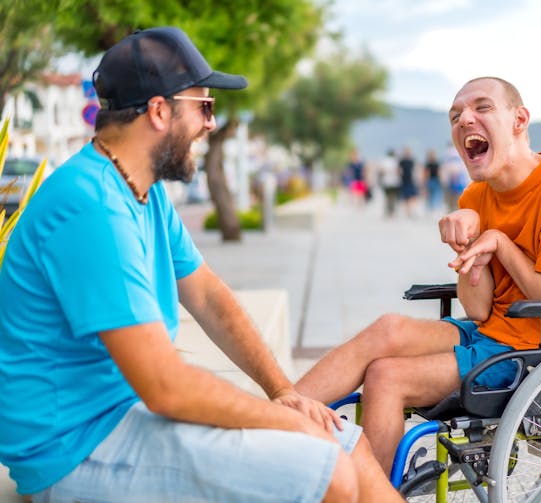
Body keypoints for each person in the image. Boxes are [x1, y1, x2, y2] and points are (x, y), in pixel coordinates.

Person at [0, 27, 402, 503]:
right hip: (74, 448)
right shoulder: (90, 206)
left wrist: (283, 393)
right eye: (204, 107)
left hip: (119, 416)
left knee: (342, 443)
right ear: (159, 110)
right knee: (326, 468)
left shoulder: (140, 191)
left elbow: (208, 295)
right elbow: (165, 387)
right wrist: (285, 421)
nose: (211, 124)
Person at [295, 76, 541, 474]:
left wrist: (499, 242)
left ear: (519, 119)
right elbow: (478, 310)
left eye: (482, 107)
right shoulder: (476, 195)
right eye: (455, 114)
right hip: (492, 334)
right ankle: (272, 415)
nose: (465, 120)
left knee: (386, 376)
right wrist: (468, 249)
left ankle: (371, 494)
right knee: (388, 329)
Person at [377, 148, 400, 217]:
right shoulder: (396, 161)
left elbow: (381, 172)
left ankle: (386, 211)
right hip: (394, 182)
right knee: (393, 197)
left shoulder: (384, 161)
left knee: (386, 197)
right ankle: (392, 211)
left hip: (386, 182)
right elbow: (398, 172)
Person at [423, 148, 443, 213]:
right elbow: (427, 173)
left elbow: (438, 172)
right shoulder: (433, 163)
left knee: (433, 195)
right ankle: (432, 208)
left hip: (434, 180)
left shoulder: (431, 163)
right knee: (433, 195)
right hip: (432, 180)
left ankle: (432, 208)